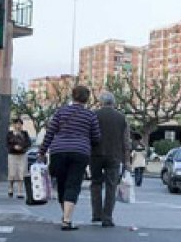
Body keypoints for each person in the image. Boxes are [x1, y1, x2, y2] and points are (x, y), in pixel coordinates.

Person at [38, 85, 101, 231]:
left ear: (73, 96)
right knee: (73, 185)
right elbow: (96, 137)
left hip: (58, 151)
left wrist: (42, 151)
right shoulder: (90, 115)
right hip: (80, 152)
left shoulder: (61, 112)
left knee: (61, 185)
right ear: (87, 98)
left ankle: (66, 217)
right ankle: (66, 219)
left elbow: (50, 133)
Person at [90, 91, 131, 228]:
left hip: (95, 154)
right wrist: (127, 161)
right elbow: (126, 141)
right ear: (113, 103)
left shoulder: (94, 116)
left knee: (96, 183)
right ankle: (107, 217)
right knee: (111, 185)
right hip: (114, 155)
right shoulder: (121, 118)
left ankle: (96, 213)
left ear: (101, 102)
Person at [7, 118, 31, 199]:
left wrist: (21, 147)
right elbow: (7, 144)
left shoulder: (25, 133)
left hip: (22, 155)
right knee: (12, 173)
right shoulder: (10, 134)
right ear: (13, 125)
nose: (18, 126)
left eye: (20, 124)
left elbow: (28, 143)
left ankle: (20, 191)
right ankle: (10, 188)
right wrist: (14, 147)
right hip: (12, 155)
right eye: (16, 124)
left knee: (22, 173)